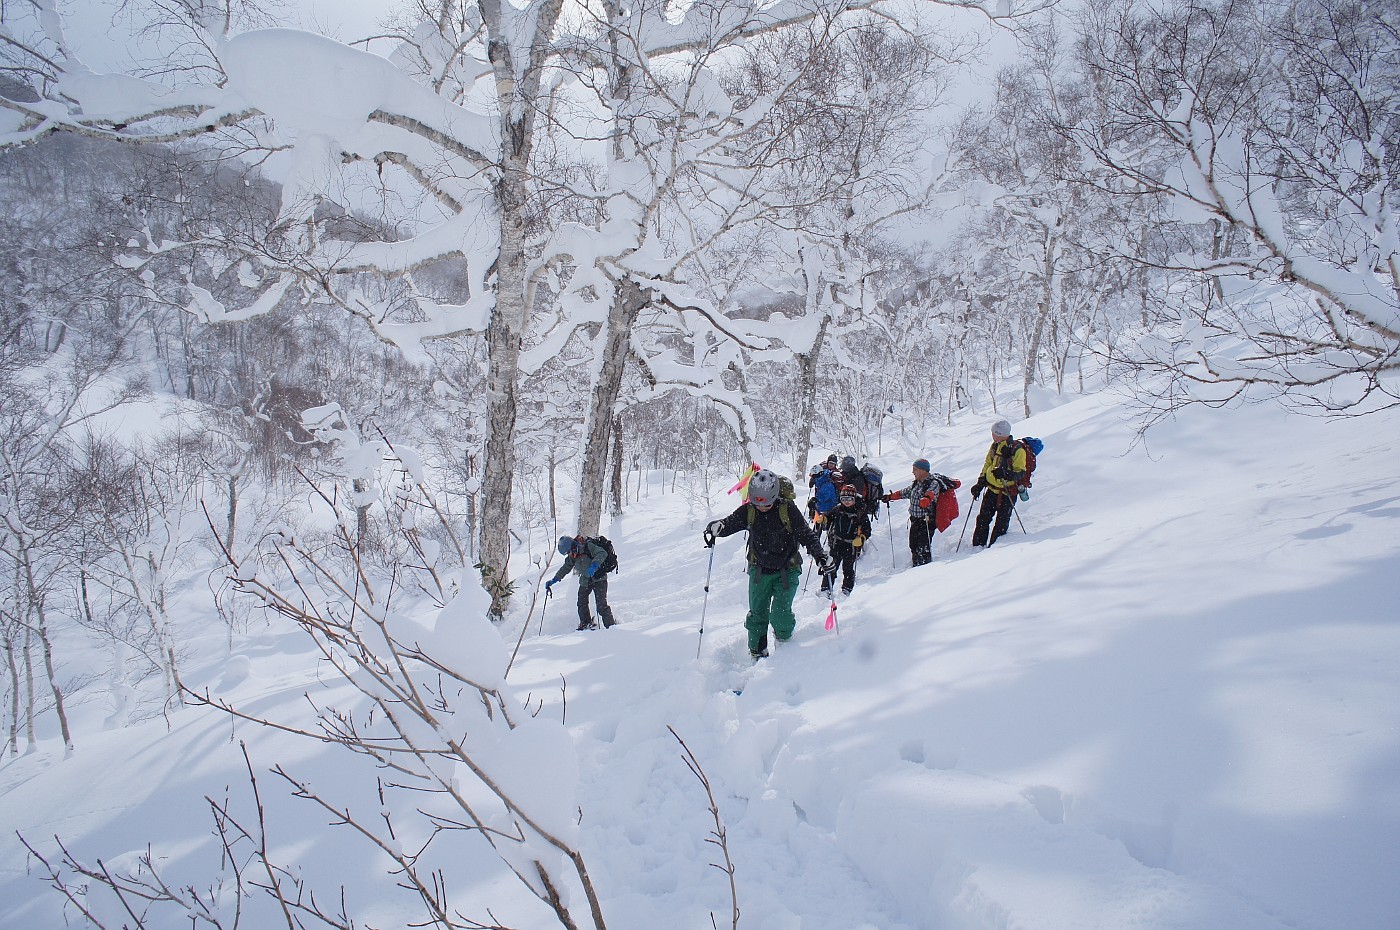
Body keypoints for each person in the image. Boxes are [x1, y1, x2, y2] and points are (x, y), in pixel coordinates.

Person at [703, 469, 834, 658]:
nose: (761, 507)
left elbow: (806, 534)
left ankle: (785, 647)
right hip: (759, 570)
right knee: (757, 615)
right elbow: (730, 523)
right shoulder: (749, 510)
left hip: (787, 570)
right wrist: (718, 527)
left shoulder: (787, 509)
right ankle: (757, 652)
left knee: (780, 616)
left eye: (765, 503)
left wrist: (820, 556)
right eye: (756, 502)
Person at [970, 419, 1028, 548]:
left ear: (999, 433)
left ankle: (996, 548)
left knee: (1001, 523)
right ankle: (977, 547)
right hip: (991, 489)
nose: (992, 435)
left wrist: (1006, 475)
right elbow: (988, 464)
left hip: (1008, 492)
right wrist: (980, 482)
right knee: (982, 519)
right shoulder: (995, 445)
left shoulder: (1017, 449)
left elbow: (1021, 472)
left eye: (993, 433)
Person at [545, 535, 616, 630]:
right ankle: (586, 623)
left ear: (573, 545)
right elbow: (565, 568)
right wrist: (554, 580)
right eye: (567, 553)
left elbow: (602, 553)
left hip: (599, 578)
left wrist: (595, 565)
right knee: (581, 603)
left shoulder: (588, 546)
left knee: (601, 605)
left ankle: (611, 627)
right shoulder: (572, 556)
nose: (570, 554)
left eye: (570, 551)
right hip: (586, 580)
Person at [882, 457, 942, 566]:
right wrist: (890, 497)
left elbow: (932, 494)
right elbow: (903, 493)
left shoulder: (933, 483)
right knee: (913, 545)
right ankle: (916, 566)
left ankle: (925, 567)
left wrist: (927, 499)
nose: (912, 472)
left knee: (924, 546)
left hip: (927, 521)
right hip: (915, 520)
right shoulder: (916, 484)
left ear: (923, 470)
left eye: (915, 469)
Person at [820, 484, 872, 597]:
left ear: (854, 499)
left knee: (848, 569)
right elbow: (829, 518)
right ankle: (826, 588)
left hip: (851, 545)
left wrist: (862, 538)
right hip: (836, 543)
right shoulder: (838, 509)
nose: (846, 502)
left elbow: (867, 529)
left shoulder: (860, 512)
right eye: (844, 499)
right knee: (831, 567)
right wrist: (824, 518)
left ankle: (847, 589)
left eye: (849, 499)